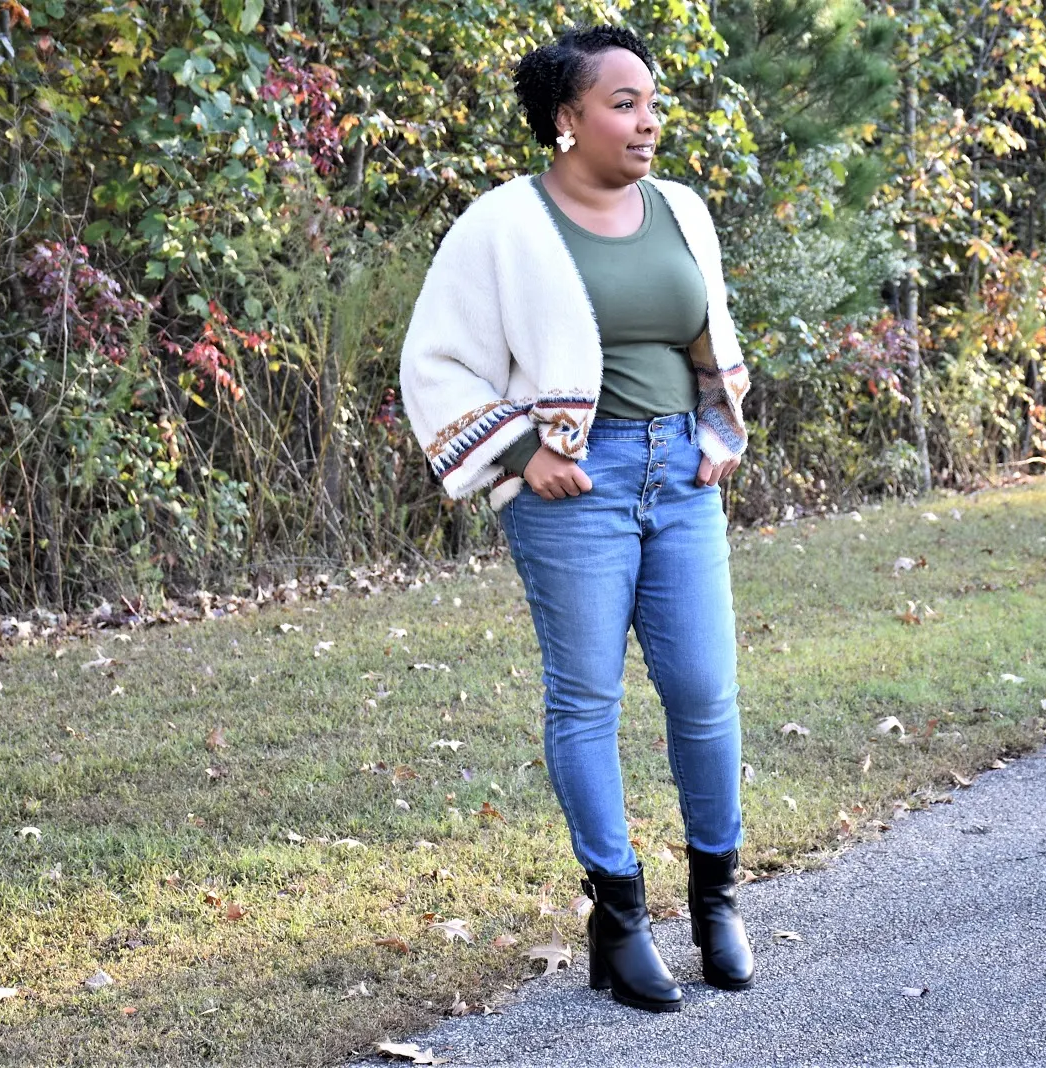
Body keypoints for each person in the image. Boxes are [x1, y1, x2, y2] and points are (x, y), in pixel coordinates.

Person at [398, 24, 754, 1014]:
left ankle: (716, 903)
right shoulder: (503, 226)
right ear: (566, 118)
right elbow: (433, 360)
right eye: (623, 103)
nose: (647, 121)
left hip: (680, 477)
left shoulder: (680, 209)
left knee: (702, 691)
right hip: (576, 489)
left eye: (650, 102)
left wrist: (719, 428)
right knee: (587, 698)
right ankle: (621, 918)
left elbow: (706, 333)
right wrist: (521, 450)